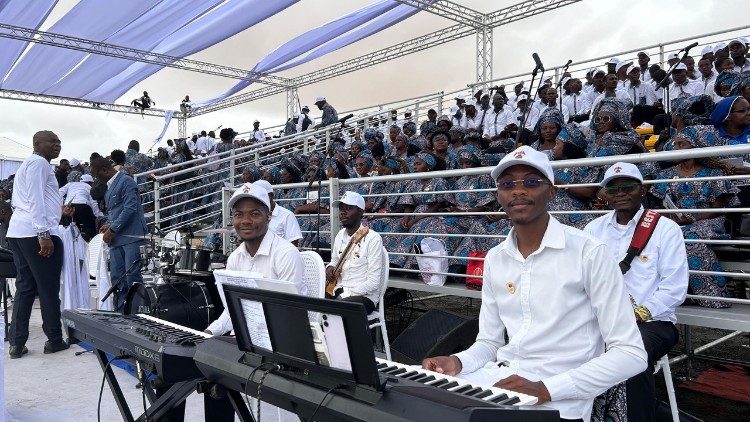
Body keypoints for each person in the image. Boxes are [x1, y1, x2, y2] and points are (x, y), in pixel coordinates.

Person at [422, 146, 647, 422]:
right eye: (507, 184)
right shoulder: (496, 258)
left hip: (559, 399)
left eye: (531, 181)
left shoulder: (589, 253)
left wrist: (545, 389)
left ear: (552, 191)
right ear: (499, 196)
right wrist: (458, 362)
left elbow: (631, 353)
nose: (518, 190)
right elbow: (490, 342)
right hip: (499, 382)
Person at [585, 163, 688, 422]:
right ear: (604, 194)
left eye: (628, 186)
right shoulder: (592, 229)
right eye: (613, 187)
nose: (621, 192)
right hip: (602, 318)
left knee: (632, 350)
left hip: (652, 322)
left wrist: (636, 314)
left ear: (642, 190)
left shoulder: (666, 229)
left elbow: (674, 288)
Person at [205, 183, 305, 336]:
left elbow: (287, 313)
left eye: (254, 214)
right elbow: (234, 310)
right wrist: (210, 332)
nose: (245, 221)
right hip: (245, 338)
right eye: (238, 214)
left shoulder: (286, 254)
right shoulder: (234, 259)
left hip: (281, 338)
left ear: (269, 217)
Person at [7, 130, 72, 358]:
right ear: (37, 144)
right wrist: (43, 234)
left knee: (25, 287)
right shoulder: (39, 164)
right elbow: (34, 198)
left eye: (59, 141)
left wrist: (59, 211)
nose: (57, 145)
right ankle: (54, 339)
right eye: (52, 141)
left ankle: (16, 343)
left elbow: (37, 199)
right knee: (48, 288)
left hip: (19, 231)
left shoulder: (30, 164)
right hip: (35, 233)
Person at [90, 157, 148, 311]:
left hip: (131, 238)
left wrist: (113, 229)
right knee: (117, 278)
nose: (96, 179)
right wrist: (109, 225)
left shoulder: (126, 181)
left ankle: (137, 312)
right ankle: (121, 312)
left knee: (132, 277)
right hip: (117, 239)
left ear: (104, 170)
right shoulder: (110, 186)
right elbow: (116, 211)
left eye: (96, 175)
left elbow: (130, 208)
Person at [325, 191, 385, 314]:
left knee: (338, 309)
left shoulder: (373, 238)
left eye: (349, 208)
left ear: (361, 212)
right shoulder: (340, 235)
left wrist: (345, 295)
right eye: (341, 208)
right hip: (338, 289)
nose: (343, 212)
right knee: (311, 302)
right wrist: (330, 268)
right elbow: (335, 261)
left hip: (364, 296)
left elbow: (374, 282)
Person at [253, 180, 303, 247]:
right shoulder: (252, 216)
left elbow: (293, 244)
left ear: (271, 196)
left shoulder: (287, 215)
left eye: (261, 197)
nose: (257, 200)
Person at [59, 171, 103, 242]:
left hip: (68, 207)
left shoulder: (70, 184)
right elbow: (93, 202)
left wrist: (61, 206)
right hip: (82, 206)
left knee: (69, 229)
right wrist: (98, 214)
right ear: (90, 182)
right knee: (90, 227)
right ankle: (88, 244)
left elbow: (58, 193)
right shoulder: (88, 186)